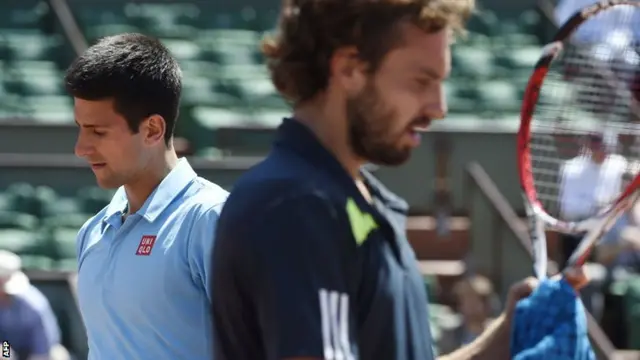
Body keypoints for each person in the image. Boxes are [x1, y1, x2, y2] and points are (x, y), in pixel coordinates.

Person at [210, 1, 546, 359]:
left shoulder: (347, 199)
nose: (438, 107)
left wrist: (503, 337)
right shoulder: (298, 208)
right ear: (349, 69)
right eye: (422, 81)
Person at [65, 33, 228, 359]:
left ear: (153, 129)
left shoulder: (212, 219)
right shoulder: (92, 233)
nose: (81, 149)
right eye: (80, 128)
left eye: (98, 132)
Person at [558, 132, 627, 268]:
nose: (601, 150)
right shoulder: (571, 168)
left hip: (607, 231)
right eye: (596, 145)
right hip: (578, 231)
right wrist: (597, 206)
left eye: (604, 146)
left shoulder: (619, 165)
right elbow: (567, 210)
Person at [0, 250, 52, 360]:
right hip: (9, 348)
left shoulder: (34, 306)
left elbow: (42, 350)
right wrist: (6, 356)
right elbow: (5, 342)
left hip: (42, 353)